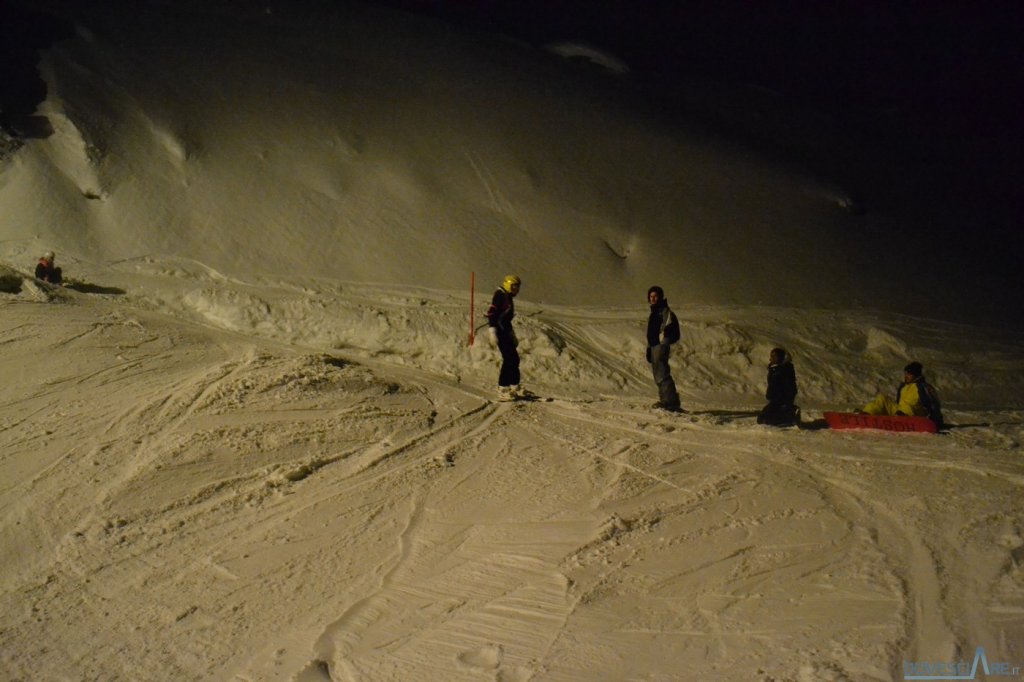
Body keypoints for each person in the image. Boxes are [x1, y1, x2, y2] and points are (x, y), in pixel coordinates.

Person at [858, 361, 943, 428]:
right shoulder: (904, 386)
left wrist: (937, 422)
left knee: (906, 406)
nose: (906, 376)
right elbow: (899, 403)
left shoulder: (923, 387)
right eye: (905, 374)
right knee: (882, 398)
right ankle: (867, 415)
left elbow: (933, 405)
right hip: (900, 413)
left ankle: (901, 419)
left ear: (915, 375)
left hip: (916, 415)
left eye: (909, 374)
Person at [486, 274, 523, 400]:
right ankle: (503, 387)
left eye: (517, 287)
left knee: (515, 359)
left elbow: (506, 319)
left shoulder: (507, 296)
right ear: (508, 284)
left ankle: (514, 386)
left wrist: (512, 334)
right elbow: (491, 313)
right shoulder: (500, 295)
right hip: (500, 332)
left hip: (505, 331)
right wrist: (492, 331)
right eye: (514, 287)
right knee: (509, 359)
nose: (516, 290)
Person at [645, 285, 681, 412]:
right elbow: (652, 332)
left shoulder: (665, 311)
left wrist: (663, 343)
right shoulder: (654, 312)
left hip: (660, 347)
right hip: (655, 346)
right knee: (658, 375)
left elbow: (670, 328)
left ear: (660, 297)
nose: (653, 298)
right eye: (651, 296)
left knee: (662, 375)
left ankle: (671, 403)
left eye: (655, 296)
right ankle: (665, 400)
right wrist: (649, 348)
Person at [757, 347, 800, 426]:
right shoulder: (773, 369)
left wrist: (787, 401)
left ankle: (792, 412)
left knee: (773, 420)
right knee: (761, 419)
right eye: (771, 356)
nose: (771, 358)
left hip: (783, 400)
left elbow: (790, 386)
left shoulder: (786, 369)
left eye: (774, 356)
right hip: (774, 400)